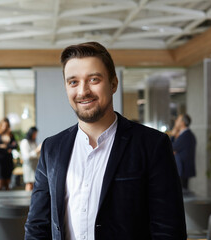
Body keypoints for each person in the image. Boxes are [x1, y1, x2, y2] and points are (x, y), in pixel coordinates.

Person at [25, 42, 186, 239]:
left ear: (113, 83)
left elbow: (169, 230)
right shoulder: (52, 148)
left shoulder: (152, 145)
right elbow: (37, 226)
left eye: (93, 79)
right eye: (73, 82)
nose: (83, 91)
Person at [171, 114, 196, 190]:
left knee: (181, 194)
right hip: (181, 169)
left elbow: (170, 147)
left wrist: (172, 135)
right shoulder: (184, 134)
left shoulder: (186, 135)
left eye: (178, 119)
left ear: (182, 123)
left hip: (182, 170)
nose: (175, 121)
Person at [0, 118, 18, 190]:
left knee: (7, 183)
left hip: (8, 160)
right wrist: (9, 148)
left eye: (6, 125)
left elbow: (15, 146)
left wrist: (4, 146)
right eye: (3, 125)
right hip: (0, 161)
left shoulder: (11, 135)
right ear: (0, 125)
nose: (5, 127)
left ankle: (7, 201)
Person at [20, 127, 41, 191]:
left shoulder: (33, 142)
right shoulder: (25, 142)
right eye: (35, 134)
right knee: (29, 183)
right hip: (29, 166)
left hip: (35, 165)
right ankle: (27, 198)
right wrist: (37, 150)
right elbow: (26, 156)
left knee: (34, 183)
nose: (35, 135)